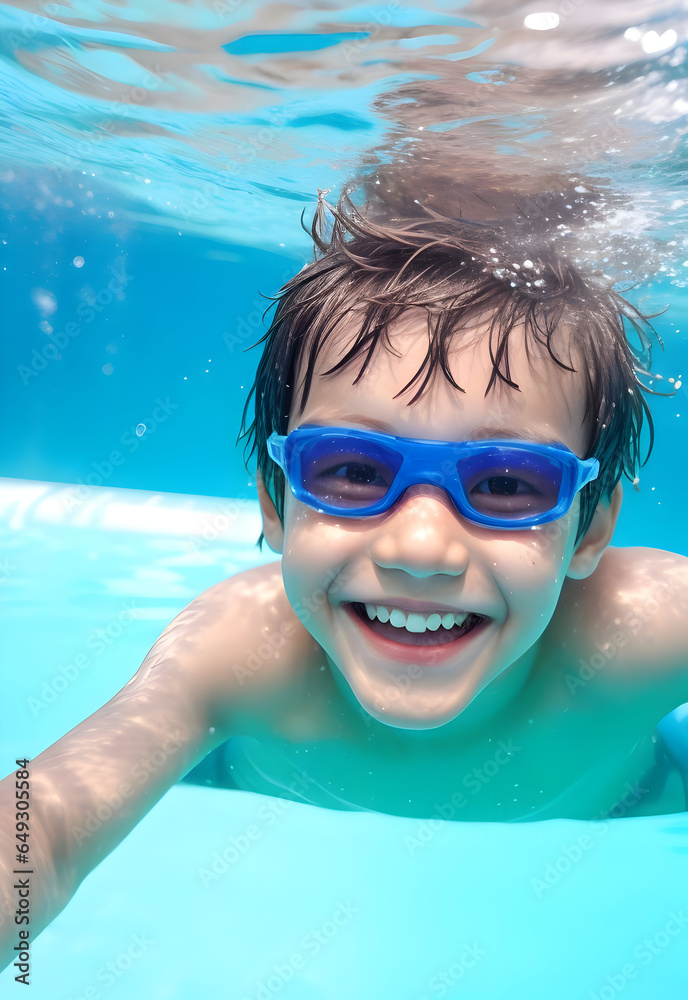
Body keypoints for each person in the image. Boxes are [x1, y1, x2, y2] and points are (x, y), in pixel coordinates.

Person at [2, 194, 687, 966]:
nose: (421, 548)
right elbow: (42, 827)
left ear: (590, 528)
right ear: (274, 500)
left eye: (504, 483)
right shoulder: (238, 652)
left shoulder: (649, 627)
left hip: (639, 796)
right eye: (354, 471)